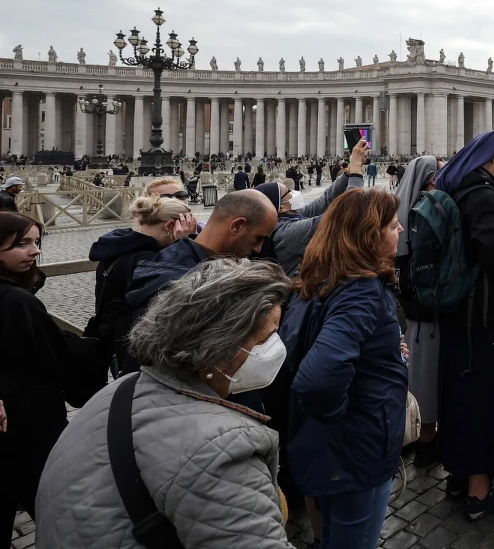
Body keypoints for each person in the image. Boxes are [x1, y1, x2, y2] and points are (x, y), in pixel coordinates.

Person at [35, 258, 294, 548]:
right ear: (218, 346)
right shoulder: (222, 449)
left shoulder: (121, 390)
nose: (276, 348)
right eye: (267, 338)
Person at [283, 188, 409, 547]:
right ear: (369, 236)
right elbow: (318, 379)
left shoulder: (322, 276)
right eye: (393, 226)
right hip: (357, 449)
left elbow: (304, 347)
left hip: (321, 445)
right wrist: (352, 419)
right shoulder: (362, 290)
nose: (400, 232)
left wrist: (385, 353)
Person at [435, 131, 494, 520]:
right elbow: (493, 250)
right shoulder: (482, 192)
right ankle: (479, 493)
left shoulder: (454, 186)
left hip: (459, 310)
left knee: (461, 394)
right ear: (490, 158)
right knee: (487, 398)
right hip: (486, 314)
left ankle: (459, 476)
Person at [0, 213, 106, 542]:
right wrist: (95, 345)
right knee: (51, 498)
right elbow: (54, 355)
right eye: (21, 244)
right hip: (29, 421)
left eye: (36, 242)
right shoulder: (15, 302)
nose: (35, 251)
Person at [125, 190, 279, 328]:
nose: (258, 248)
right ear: (237, 226)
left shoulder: (180, 258)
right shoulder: (173, 282)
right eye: (258, 238)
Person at [86, 194, 198, 371]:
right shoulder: (149, 261)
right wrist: (181, 245)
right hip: (134, 351)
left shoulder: (116, 246)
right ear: (169, 226)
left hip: (111, 341)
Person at [253, 139, 367, 277]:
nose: (294, 193)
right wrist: (356, 174)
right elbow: (345, 215)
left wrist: (348, 174)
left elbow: (325, 200)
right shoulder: (287, 232)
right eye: (288, 192)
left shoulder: (287, 216)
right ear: (281, 207)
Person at [394, 155, 442, 465]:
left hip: (411, 305)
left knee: (421, 372)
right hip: (428, 304)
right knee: (427, 374)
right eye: (437, 173)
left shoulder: (403, 213)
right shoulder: (426, 212)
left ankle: (423, 434)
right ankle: (426, 440)